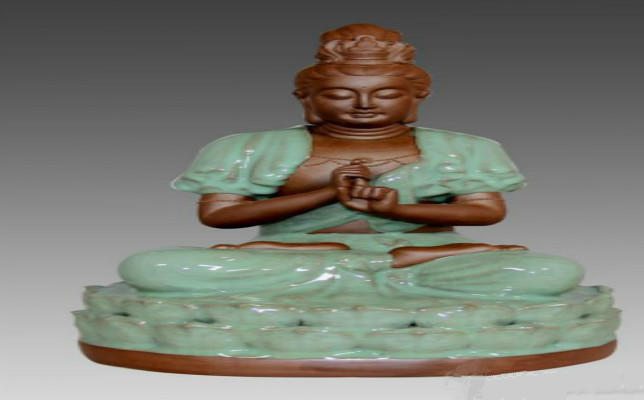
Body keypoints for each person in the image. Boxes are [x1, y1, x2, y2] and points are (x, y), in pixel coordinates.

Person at [119, 24, 583, 299]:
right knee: (150, 267)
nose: (364, 105)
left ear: (417, 97)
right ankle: (382, 281)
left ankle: (365, 277)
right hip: (291, 253)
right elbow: (219, 217)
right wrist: (325, 194)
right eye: (341, 94)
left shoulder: (466, 147)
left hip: (428, 253)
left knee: (551, 272)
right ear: (307, 99)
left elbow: (486, 213)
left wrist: (397, 210)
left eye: (386, 94)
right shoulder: (247, 145)